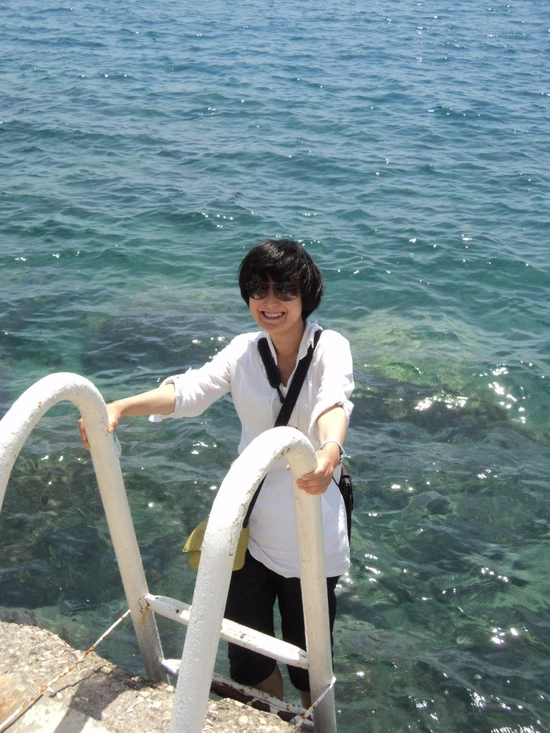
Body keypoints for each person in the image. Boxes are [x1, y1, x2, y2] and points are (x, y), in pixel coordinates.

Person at [79, 238, 354, 707]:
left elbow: (333, 402)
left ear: (306, 295)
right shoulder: (244, 351)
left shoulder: (330, 347)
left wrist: (329, 450)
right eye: (258, 289)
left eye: (284, 291)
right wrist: (120, 406)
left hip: (312, 533)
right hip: (249, 528)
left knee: (310, 665)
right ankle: (272, 722)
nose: (270, 302)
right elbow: (190, 391)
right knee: (248, 661)